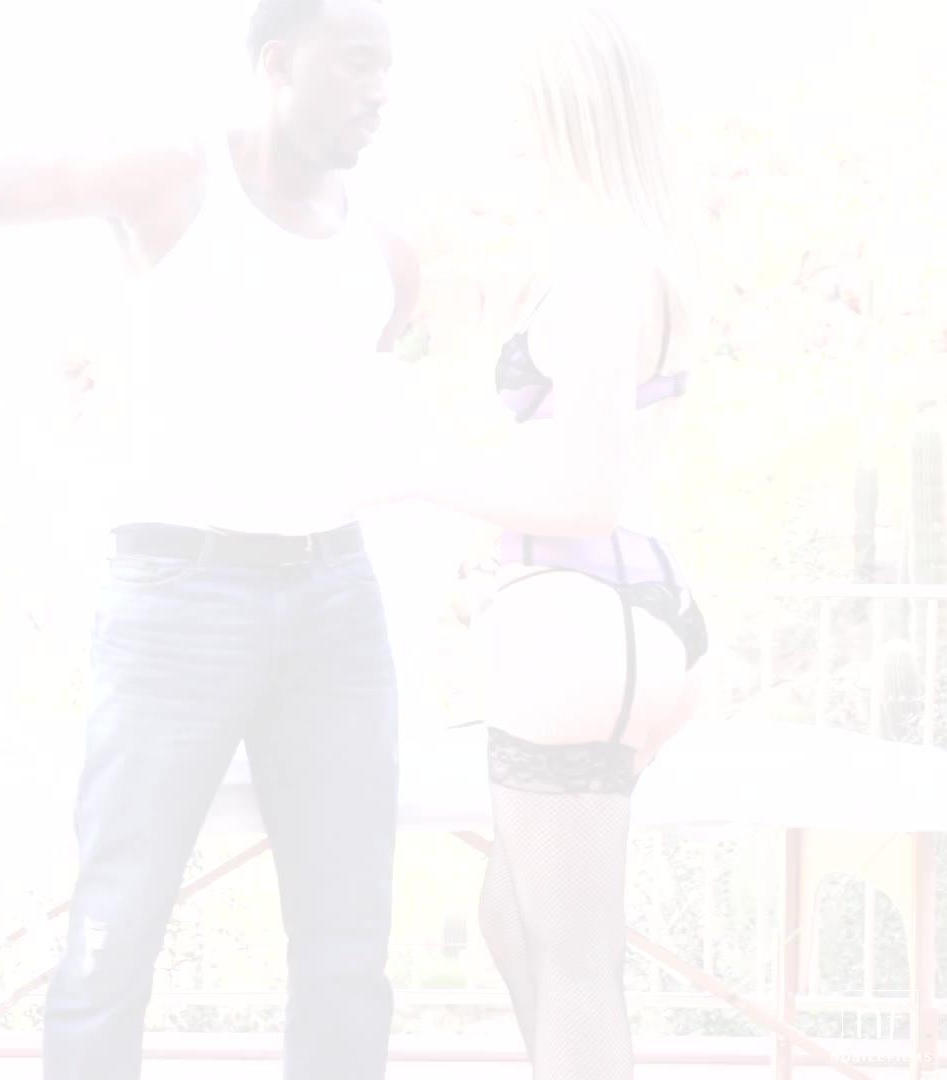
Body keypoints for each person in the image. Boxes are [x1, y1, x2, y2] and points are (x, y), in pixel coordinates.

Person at [0, 1, 416, 1075]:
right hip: (180, 593)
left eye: (390, 69)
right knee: (116, 926)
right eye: (357, 64)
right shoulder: (178, 179)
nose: (381, 90)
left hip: (337, 605)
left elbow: (355, 422)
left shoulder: (384, 247)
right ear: (279, 64)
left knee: (348, 947)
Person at [368, 5, 711, 1075]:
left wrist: (413, 472)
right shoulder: (633, 256)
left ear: (564, 113)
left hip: (580, 619)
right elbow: (590, 465)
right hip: (625, 616)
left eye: (516, 106)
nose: (504, 128)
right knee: (522, 926)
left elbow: (585, 494)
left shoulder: (603, 270)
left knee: (571, 966)